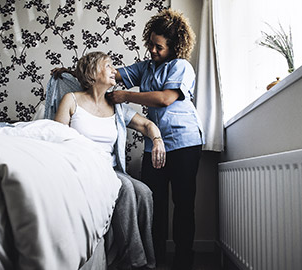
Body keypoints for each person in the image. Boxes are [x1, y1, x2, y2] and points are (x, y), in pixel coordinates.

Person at [105, 9, 204, 270]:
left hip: (184, 142)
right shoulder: (145, 68)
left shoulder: (182, 67)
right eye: (150, 44)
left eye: (158, 46)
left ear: (173, 46)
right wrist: (73, 72)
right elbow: (110, 74)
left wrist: (126, 96)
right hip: (154, 144)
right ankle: (155, 259)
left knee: (183, 204)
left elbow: (165, 98)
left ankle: (184, 261)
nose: (152, 50)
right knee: (153, 203)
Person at [54, 51, 166, 270]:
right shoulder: (72, 100)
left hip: (111, 169)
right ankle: (134, 262)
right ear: (93, 73)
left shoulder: (116, 106)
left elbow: (146, 125)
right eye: (108, 66)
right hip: (83, 169)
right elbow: (57, 137)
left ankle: (149, 261)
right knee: (123, 186)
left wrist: (157, 139)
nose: (115, 70)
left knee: (144, 192)